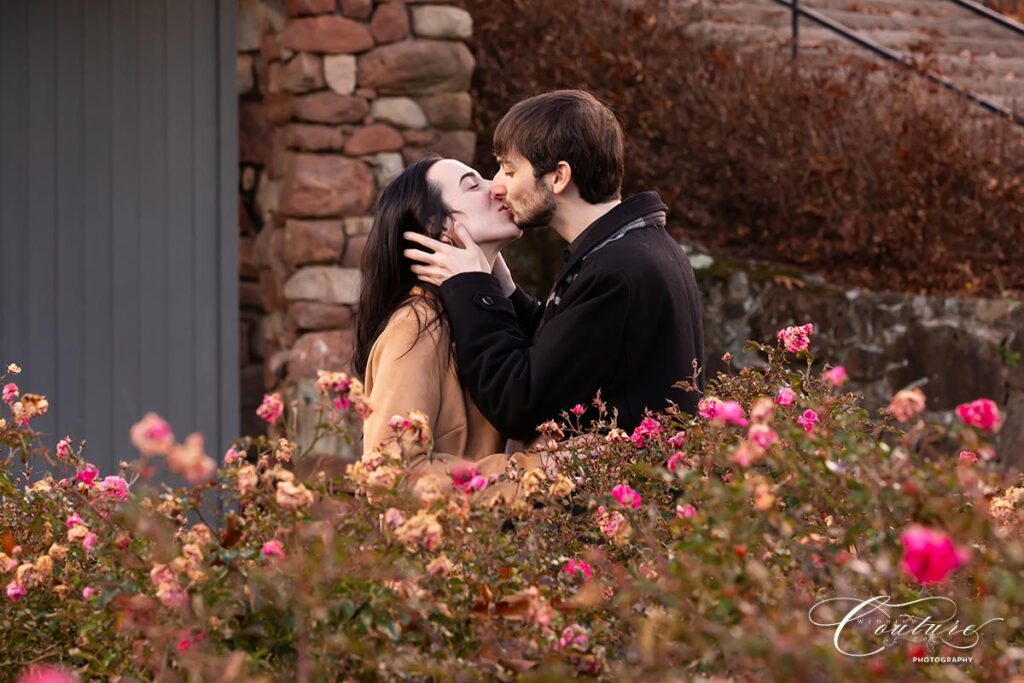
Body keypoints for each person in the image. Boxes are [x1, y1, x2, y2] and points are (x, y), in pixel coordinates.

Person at [404, 90, 705, 443]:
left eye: (510, 170)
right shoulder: (635, 248)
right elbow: (567, 353)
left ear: (559, 177)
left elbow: (521, 404)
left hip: (620, 495)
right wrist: (506, 293)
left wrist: (473, 291)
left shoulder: (616, 272)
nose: (498, 186)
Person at [353, 155, 540, 492]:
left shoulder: (483, 310)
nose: (497, 187)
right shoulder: (418, 324)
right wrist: (529, 474)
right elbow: (391, 473)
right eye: (473, 185)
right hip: (454, 540)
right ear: (437, 229)